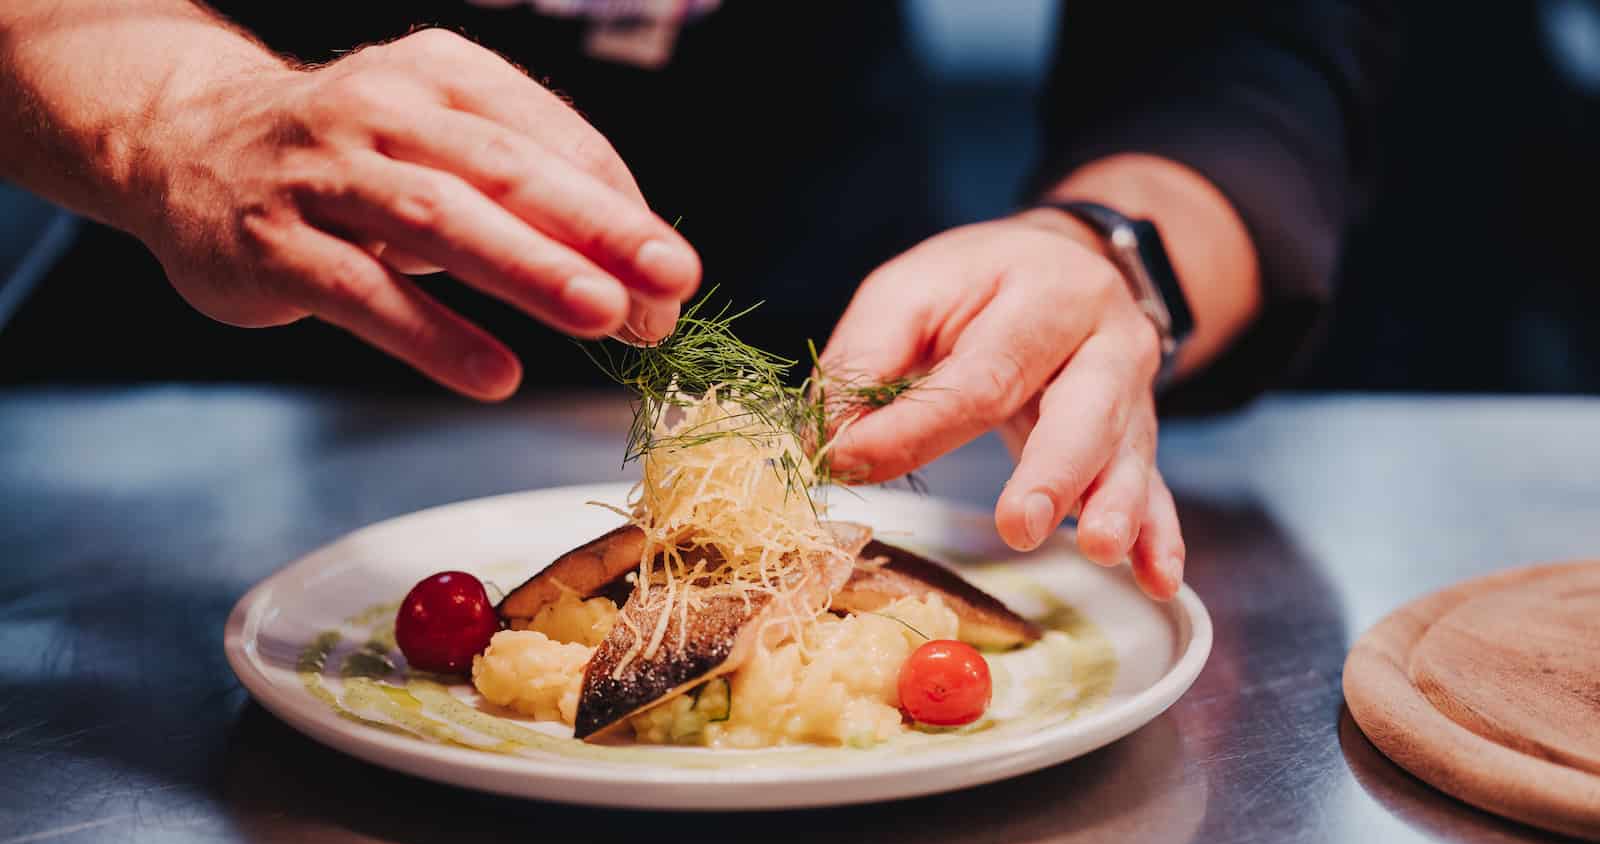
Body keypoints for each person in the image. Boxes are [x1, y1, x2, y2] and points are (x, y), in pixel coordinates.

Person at [0, 1, 1395, 600]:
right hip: (211, 335)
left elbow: (1249, 41)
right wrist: (178, 111)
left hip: (814, 267)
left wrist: (1115, 248)